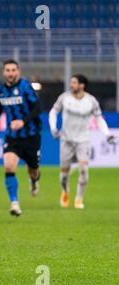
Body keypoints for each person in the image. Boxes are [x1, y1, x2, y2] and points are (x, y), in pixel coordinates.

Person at [49, 74, 116, 209]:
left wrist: (107, 134)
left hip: (83, 140)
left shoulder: (91, 101)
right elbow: (53, 112)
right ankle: (65, 192)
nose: (71, 85)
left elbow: (99, 119)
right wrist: (53, 128)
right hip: (66, 139)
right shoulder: (64, 98)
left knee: (84, 169)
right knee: (64, 175)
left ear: (81, 85)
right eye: (71, 82)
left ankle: (79, 199)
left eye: (74, 82)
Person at [0, 59, 42, 216]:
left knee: (33, 169)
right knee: (8, 166)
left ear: (18, 72)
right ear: (3, 72)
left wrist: (23, 121)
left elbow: (38, 108)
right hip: (12, 136)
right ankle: (14, 203)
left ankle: (33, 181)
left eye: (13, 70)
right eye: (8, 70)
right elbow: (1, 104)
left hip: (31, 135)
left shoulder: (25, 86)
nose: (11, 73)